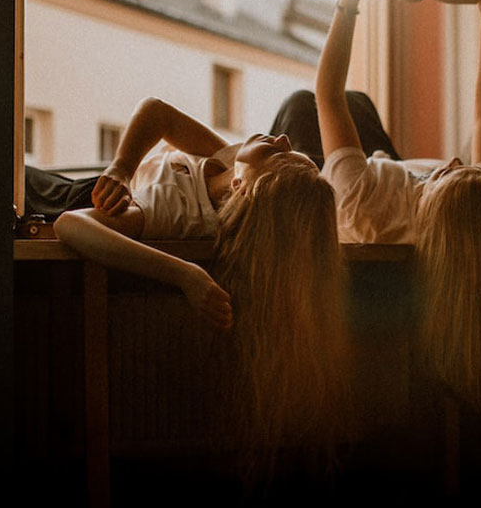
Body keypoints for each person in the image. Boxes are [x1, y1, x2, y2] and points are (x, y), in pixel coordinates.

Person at [50, 97, 352, 480]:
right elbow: (158, 113)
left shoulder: (175, 211)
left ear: (245, 189)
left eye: (279, 155)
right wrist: (121, 169)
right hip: (104, 181)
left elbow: (69, 225)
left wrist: (184, 274)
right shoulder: (233, 160)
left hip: (55, 195)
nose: (283, 139)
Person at [313, 0, 481, 411]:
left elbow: (326, 96)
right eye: (463, 167)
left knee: (320, 103)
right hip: (385, 166)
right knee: (362, 103)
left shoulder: (362, 201)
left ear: (427, 210)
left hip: (350, 182)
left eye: (445, 175)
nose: (454, 161)